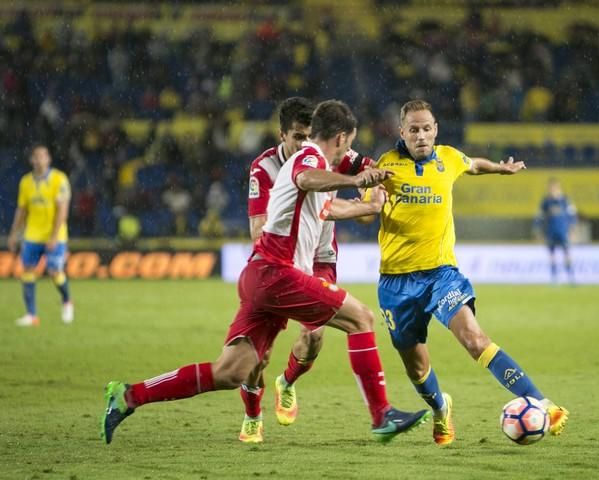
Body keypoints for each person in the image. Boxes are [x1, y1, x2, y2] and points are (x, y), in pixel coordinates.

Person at [101, 100, 430, 445]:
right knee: (361, 319)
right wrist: (354, 179)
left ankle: (128, 395)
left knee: (231, 372)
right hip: (278, 272)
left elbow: (324, 205)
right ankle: (381, 415)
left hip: (261, 275)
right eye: (348, 142)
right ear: (342, 136)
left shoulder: (302, 161)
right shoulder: (311, 157)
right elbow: (308, 177)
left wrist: (368, 203)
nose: (349, 150)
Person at [372, 99, 569, 446]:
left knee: (475, 339)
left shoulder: (448, 157)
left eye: (426, 128)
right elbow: (364, 212)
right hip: (396, 282)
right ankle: (440, 409)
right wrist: (362, 201)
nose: (420, 135)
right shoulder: (384, 166)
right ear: (401, 132)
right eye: (413, 129)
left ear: (436, 130)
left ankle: (543, 403)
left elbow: (472, 165)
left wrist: (498, 168)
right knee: (416, 368)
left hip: (442, 274)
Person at [241, 97, 374, 442]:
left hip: (320, 257)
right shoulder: (265, 168)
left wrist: (375, 191)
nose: (304, 143)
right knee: (259, 354)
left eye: (309, 135)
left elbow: (370, 168)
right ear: (281, 134)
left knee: (314, 337)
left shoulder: (333, 154)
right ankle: (252, 415)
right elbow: (258, 229)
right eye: (297, 137)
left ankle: (287, 382)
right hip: (279, 260)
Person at [8, 144, 74, 326]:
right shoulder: (25, 182)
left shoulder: (59, 180)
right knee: (27, 271)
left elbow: (63, 211)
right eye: (36, 157)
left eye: (43, 156)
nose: (39, 160)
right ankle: (32, 315)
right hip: (32, 234)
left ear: (49, 159)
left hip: (56, 235)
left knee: (54, 271)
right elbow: (21, 210)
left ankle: (67, 301)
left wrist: (53, 236)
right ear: (31, 160)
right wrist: (14, 234)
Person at [533, 178, 577, 284]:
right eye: (550, 188)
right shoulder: (546, 201)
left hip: (563, 231)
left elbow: (572, 215)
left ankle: (571, 277)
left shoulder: (565, 200)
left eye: (553, 187)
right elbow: (539, 216)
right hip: (551, 231)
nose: (551, 189)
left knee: (566, 254)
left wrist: (572, 230)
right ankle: (554, 278)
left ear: (558, 187)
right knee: (552, 255)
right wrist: (537, 229)